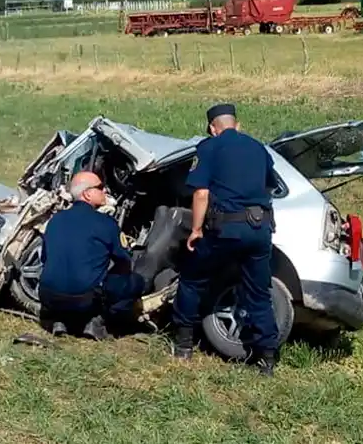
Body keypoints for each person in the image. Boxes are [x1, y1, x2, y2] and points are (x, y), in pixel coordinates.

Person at [170, 103, 280, 377]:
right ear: (237, 125)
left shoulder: (209, 148)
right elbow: (270, 185)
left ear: (212, 128)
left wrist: (196, 230)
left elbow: (201, 194)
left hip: (225, 231)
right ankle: (267, 358)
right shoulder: (259, 148)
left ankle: (183, 344)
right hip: (259, 231)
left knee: (192, 279)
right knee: (258, 292)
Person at [38, 171, 145, 340]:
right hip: (84, 300)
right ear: (87, 194)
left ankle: (59, 319)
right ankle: (98, 321)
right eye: (100, 187)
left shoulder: (55, 219)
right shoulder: (106, 223)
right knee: (134, 282)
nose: (105, 191)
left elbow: (45, 258)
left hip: (48, 296)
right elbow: (124, 261)